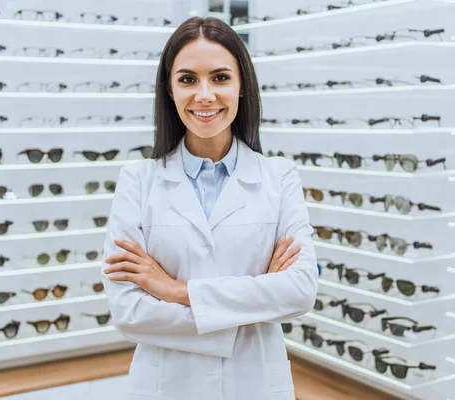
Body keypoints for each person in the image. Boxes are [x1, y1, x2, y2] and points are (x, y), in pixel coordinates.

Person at [101, 16, 318, 400]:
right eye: (187, 79)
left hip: (255, 382)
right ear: (169, 89)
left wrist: (175, 290)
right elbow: (129, 312)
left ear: (241, 87)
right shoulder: (138, 180)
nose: (204, 95)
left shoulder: (279, 177)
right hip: (165, 384)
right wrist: (256, 300)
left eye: (220, 78)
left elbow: (299, 291)